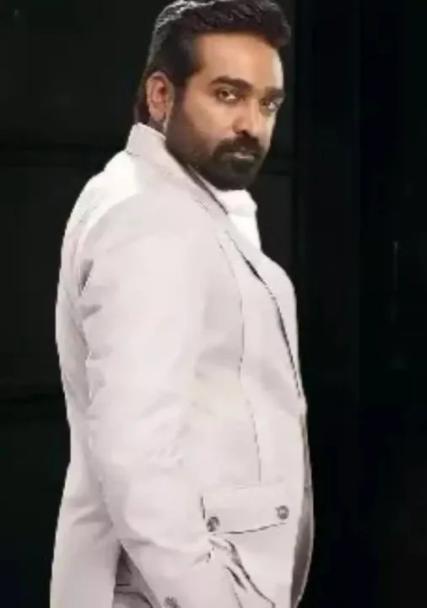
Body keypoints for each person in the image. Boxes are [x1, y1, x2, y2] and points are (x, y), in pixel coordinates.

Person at [50, 2, 312, 607]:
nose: (252, 124)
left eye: (269, 103)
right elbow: (135, 452)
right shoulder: (150, 218)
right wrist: (209, 595)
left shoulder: (164, 198)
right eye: (227, 94)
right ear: (161, 96)